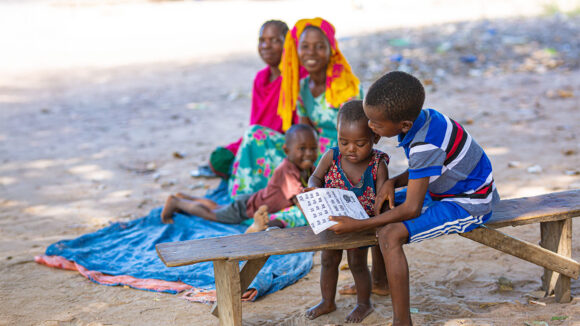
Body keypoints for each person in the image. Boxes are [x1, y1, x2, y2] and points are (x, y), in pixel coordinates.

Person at [328, 71, 500, 326]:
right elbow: (428, 167)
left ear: (404, 125)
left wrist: (356, 226)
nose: (370, 126)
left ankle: (402, 321)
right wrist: (392, 182)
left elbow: (410, 209)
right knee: (378, 203)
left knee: (389, 233)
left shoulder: (424, 142)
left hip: (470, 202)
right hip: (446, 187)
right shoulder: (424, 118)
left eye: (376, 123)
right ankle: (380, 283)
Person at [228, 17, 362, 200]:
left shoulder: (347, 88)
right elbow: (304, 131)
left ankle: (275, 197)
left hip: (341, 157)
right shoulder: (302, 87)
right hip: (311, 152)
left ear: (332, 49)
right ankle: (245, 201)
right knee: (255, 134)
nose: (311, 53)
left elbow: (358, 141)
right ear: (295, 51)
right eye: (305, 46)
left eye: (319, 46)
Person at [305, 100, 389, 323]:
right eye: (344, 142)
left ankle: (364, 304)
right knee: (328, 261)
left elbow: (382, 199)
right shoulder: (332, 156)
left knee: (357, 264)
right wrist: (313, 187)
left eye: (360, 143)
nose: (351, 149)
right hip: (333, 222)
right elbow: (316, 177)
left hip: (360, 226)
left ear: (375, 138)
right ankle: (327, 301)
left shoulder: (378, 164)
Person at [162, 124, 318, 233]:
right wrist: (316, 223)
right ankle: (178, 203)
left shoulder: (306, 167)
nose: (309, 154)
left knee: (217, 207)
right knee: (213, 214)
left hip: (253, 200)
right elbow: (301, 201)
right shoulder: (287, 171)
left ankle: (185, 197)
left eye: (313, 149)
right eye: (302, 149)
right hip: (249, 207)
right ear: (286, 150)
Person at [192, 20, 293, 179]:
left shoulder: (295, 77)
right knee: (219, 158)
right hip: (257, 139)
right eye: (262, 41)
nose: (266, 46)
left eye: (274, 40)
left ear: (288, 44)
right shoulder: (260, 78)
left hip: (282, 146)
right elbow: (255, 124)